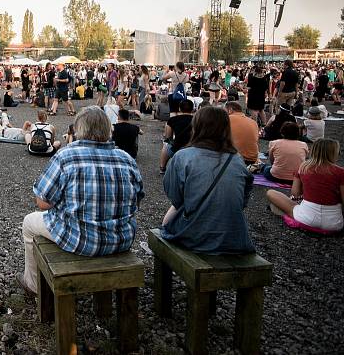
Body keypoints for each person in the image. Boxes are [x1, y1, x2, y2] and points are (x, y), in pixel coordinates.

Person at [19, 106, 143, 294]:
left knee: (29, 222)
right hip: (121, 239)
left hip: (80, 240)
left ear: (78, 130)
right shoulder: (126, 158)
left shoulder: (66, 156)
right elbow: (136, 202)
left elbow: (42, 202)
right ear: (109, 129)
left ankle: (33, 285)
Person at [160, 107, 255, 253]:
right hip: (235, 237)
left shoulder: (183, 156)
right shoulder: (237, 160)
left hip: (194, 237)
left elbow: (175, 197)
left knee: (168, 221)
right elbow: (242, 201)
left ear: (196, 126)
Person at [266, 139, 344, 232]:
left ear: (313, 151)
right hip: (334, 223)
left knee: (271, 193)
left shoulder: (303, 168)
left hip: (306, 218)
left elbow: (295, 193)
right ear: (334, 153)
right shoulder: (341, 172)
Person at [159, 99, 194, 174]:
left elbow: (168, 137)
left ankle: (162, 167)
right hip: (193, 147)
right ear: (192, 109)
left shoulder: (172, 120)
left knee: (166, 145)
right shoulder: (197, 119)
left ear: (179, 109)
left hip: (177, 148)